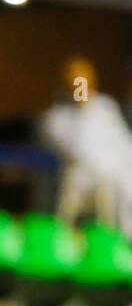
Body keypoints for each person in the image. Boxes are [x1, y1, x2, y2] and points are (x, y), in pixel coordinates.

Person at [41, 55, 132, 234]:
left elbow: (124, 144)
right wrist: (83, 109)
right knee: (107, 180)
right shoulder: (55, 117)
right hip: (82, 178)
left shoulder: (105, 107)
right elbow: (79, 150)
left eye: (84, 81)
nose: (82, 88)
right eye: (76, 83)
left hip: (119, 173)